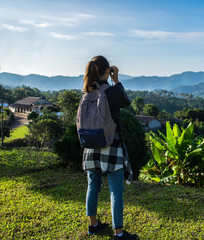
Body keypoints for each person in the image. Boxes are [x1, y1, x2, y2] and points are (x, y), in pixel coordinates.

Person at [81, 55, 139, 240]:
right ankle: (119, 234)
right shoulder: (112, 92)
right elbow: (126, 102)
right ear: (108, 70)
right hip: (111, 144)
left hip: (90, 145)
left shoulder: (87, 92)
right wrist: (117, 81)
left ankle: (93, 225)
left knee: (92, 186)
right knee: (115, 191)